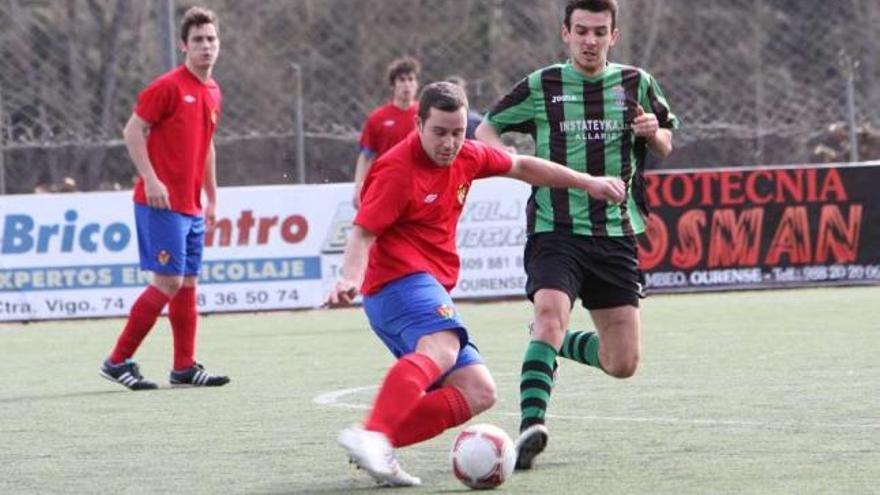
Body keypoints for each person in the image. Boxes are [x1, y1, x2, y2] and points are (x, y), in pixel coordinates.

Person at [326, 81, 625, 487]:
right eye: (439, 132)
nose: (450, 143)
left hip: (426, 285)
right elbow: (362, 233)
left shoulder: (467, 154)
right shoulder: (397, 170)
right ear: (418, 124)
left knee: (477, 391)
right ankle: (374, 432)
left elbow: (522, 167)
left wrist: (586, 181)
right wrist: (347, 279)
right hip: (397, 283)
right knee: (443, 345)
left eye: (458, 131)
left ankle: (381, 444)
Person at [476, 0, 679, 471]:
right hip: (556, 228)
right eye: (581, 31)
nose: (590, 40)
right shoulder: (542, 84)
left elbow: (666, 139)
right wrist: (507, 161)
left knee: (622, 363)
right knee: (550, 314)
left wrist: (653, 132)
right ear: (565, 33)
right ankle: (530, 427)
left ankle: (554, 341)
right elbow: (488, 128)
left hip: (615, 235)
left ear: (614, 36)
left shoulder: (637, 83)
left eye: (599, 32)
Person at [99, 6, 230, 390]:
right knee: (169, 282)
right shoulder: (168, 87)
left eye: (211, 39)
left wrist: (212, 197)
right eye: (198, 41)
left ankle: (184, 368)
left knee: (188, 282)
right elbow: (132, 131)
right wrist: (151, 179)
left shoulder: (212, 90)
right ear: (183, 46)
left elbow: (207, 147)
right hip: (160, 203)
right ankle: (117, 360)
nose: (206, 46)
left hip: (190, 206)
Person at [351, 56, 421, 208]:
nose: (407, 84)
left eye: (411, 79)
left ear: (416, 84)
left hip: (420, 186)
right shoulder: (378, 118)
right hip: (387, 187)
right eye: (402, 80)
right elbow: (366, 157)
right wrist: (358, 187)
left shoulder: (426, 115)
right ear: (393, 86)